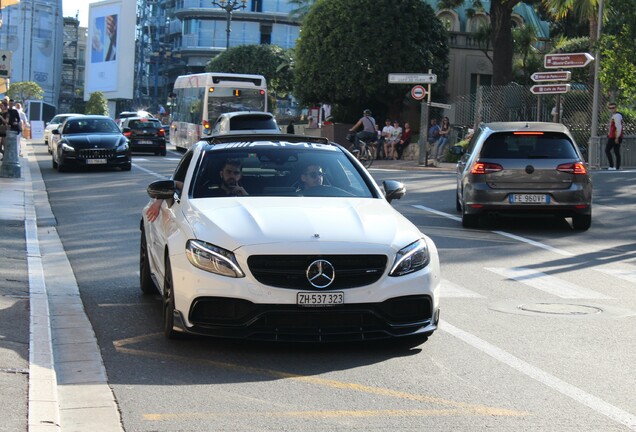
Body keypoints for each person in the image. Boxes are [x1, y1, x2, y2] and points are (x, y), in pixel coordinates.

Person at [146, 159, 247, 222]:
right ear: (221, 173)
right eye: (228, 172)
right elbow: (176, 185)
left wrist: (244, 195)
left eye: (236, 173)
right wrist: (160, 199)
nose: (232, 176)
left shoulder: (247, 193)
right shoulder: (205, 190)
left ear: (240, 176)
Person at [606, 102, 623, 170]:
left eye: (613, 108)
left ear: (616, 108)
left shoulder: (617, 116)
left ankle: (612, 166)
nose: (612, 109)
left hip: (614, 136)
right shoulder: (615, 116)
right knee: (616, 151)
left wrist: (617, 137)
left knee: (608, 150)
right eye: (610, 108)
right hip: (613, 136)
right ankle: (616, 167)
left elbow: (618, 127)